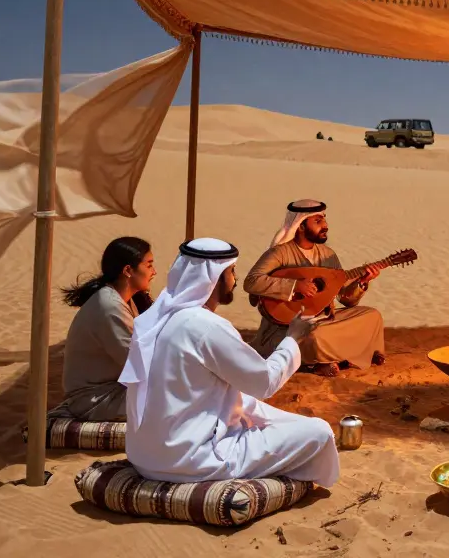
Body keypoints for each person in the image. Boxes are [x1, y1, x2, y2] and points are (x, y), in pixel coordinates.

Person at [120, 238, 339, 486]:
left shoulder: (156, 318)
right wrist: (292, 337)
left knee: (256, 409)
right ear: (215, 277)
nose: (234, 279)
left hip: (145, 456)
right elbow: (265, 382)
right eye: (231, 271)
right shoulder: (206, 327)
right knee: (319, 432)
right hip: (190, 460)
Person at [246, 200, 385, 377]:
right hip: (286, 326)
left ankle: (329, 358)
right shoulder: (280, 253)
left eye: (324, 220)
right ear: (301, 226)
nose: (325, 226)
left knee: (372, 316)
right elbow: (251, 281)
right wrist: (295, 286)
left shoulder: (328, 255)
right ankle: (327, 359)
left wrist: (362, 283)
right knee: (314, 336)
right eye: (318, 221)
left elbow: (344, 298)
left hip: (325, 319)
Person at [48, 237, 155, 422]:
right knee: (179, 399)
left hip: (114, 389)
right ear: (128, 270)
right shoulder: (109, 307)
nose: (154, 272)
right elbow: (138, 365)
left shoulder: (123, 299)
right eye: (149, 265)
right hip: (95, 400)